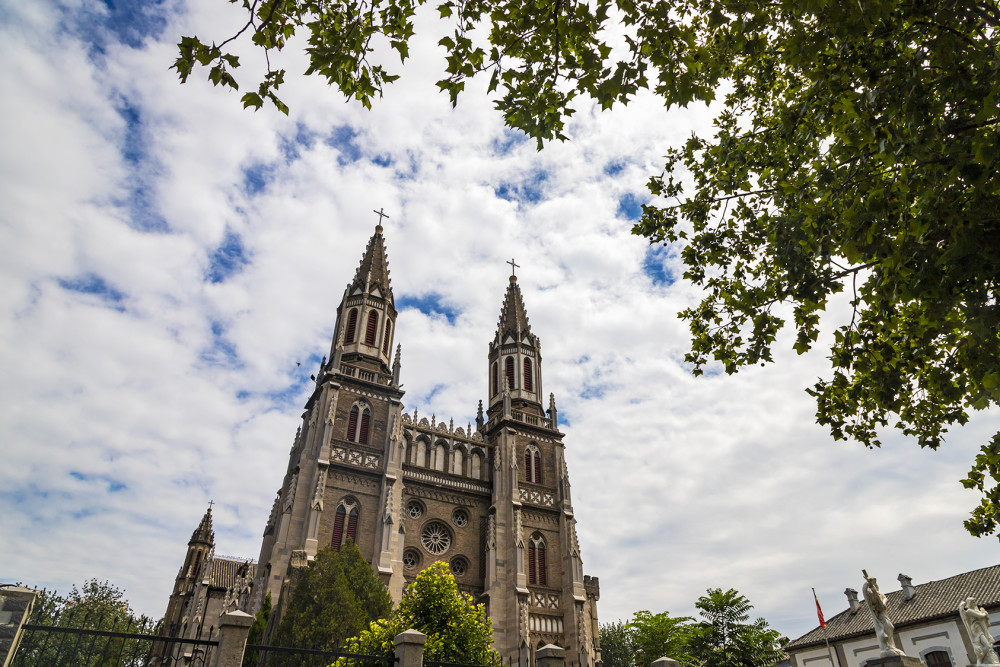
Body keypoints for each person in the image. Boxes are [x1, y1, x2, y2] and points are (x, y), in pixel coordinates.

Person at [862, 570, 904, 657]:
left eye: (874, 583)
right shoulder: (871, 594)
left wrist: (883, 603)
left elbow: (885, 599)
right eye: (872, 583)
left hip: (883, 613)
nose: (874, 584)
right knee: (886, 627)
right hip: (879, 615)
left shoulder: (880, 593)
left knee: (890, 627)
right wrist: (867, 586)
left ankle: (891, 645)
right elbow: (870, 598)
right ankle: (886, 647)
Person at [959, 596, 1000, 665]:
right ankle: (980, 660)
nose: (975, 603)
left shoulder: (976, 610)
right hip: (977, 630)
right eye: (973, 602)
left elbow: (983, 619)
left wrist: (986, 616)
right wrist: (985, 614)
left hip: (981, 628)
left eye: (975, 601)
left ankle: (983, 661)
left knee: (989, 646)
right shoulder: (969, 611)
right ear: (970, 603)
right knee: (987, 646)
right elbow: (980, 616)